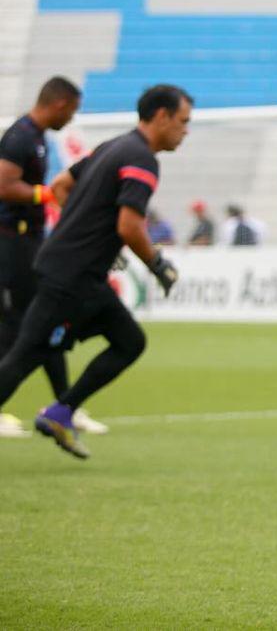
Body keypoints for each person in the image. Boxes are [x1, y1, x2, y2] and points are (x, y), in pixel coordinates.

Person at [0, 85, 190, 458]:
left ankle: (61, 411)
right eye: (183, 122)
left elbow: (61, 186)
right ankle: (62, 410)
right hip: (70, 278)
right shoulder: (142, 160)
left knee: (127, 340)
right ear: (161, 117)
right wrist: (157, 264)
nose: (185, 131)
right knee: (25, 355)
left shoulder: (113, 146)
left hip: (77, 274)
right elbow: (129, 227)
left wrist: (86, 233)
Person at [0, 78, 87, 438]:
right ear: (59, 103)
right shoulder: (20, 136)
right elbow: (3, 185)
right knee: (17, 326)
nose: (71, 118)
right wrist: (45, 195)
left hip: (26, 243)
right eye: (72, 111)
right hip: (10, 243)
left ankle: (64, 406)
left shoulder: (34, 137)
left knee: (43, 322)